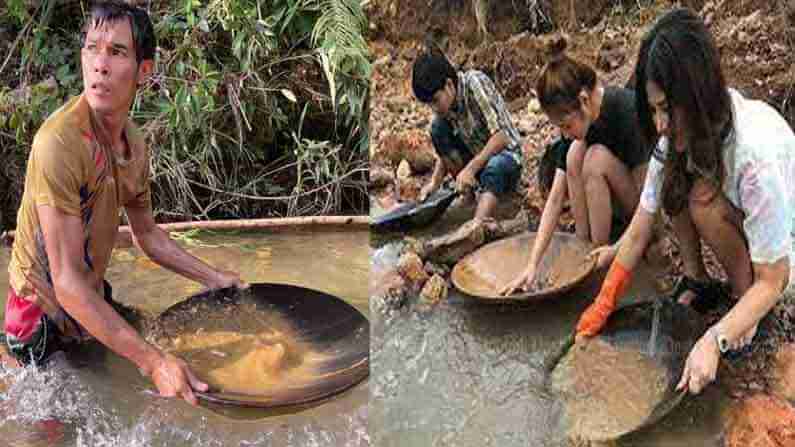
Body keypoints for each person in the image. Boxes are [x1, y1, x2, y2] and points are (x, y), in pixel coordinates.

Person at [3, 2, 247, 406]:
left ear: (143, 71)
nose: (100, 64)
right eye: (92, 48)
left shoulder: (133, 145)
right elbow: (64, 283)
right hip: (39, 313)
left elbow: (147, 236)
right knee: (50, 428)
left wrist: (213, 278)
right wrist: (153, 363)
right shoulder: (59, 143)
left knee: (155, 370)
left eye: (117, 52)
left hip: (90, 297)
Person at [574, 8, 795, 395]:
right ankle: (701, 282)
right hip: (747, 223)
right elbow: (640, 230)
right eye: (653, 110)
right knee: (679, 189)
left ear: (697, 94)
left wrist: (714, 339)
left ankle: (747, 316)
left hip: (783, 253)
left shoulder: (752, 156)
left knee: (704, 204)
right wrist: (603, 304)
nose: (659, 124)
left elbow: (775, 279)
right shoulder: (675, 140)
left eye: (665, 109)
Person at [501, 38, 650, 295]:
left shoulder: (625, 111)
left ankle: (597, 261)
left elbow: (650, 198)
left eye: (567, 126)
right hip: (611, 208)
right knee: (574, 154)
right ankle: (585, 248)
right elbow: (557, 197)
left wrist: (619, 249)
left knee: (595, 158)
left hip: (644, 213)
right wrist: (532, 264)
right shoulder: (575, 126)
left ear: (583, 100)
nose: (565, 133)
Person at [411, 50, 523, 221]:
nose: (433, 108)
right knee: (437, 128)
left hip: (505, 157)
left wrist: (470, 169)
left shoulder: (475, 84)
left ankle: (477, 223)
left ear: (449, 85)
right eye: (429, 104)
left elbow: (501, 137)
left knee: (494, 166)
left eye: (435, 100)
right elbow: (445, 149)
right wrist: (435, 182)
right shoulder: (448, 106)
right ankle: (468, 195)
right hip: (479, 163)